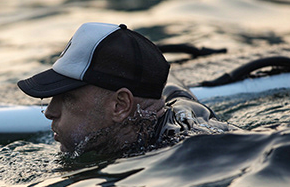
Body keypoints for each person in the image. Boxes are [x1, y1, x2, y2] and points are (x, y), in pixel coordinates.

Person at [18, 22, 235, 156]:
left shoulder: (194, 152)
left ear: (120, 105)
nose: (50, 112)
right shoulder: (169, 103)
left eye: (67, 97)